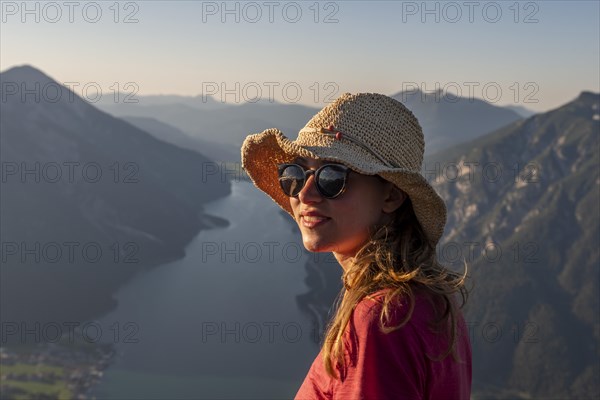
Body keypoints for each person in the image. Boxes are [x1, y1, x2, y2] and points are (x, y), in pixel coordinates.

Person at [241, 92, 471, 399]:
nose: (305, 194)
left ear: (390, 196)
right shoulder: (431, 300)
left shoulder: (382, 319)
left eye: (333, 176)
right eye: (295, 174)